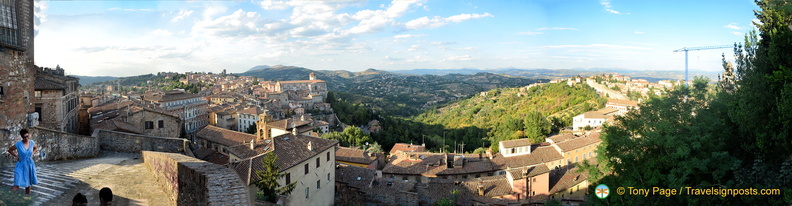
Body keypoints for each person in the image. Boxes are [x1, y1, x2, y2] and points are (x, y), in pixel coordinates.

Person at [7, 129, 38, 194]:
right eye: (24, 137)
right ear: (22, 137)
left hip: (29, 164)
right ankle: (8, 197)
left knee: (28, 183)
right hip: (21, 165)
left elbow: (36, 148)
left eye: (27, 136)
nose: (26, 138)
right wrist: (17, 156)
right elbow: (10, 150)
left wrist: (32, 153)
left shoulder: (31, 142)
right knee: (17, 183)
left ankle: (27, 198)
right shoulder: (19, 144)